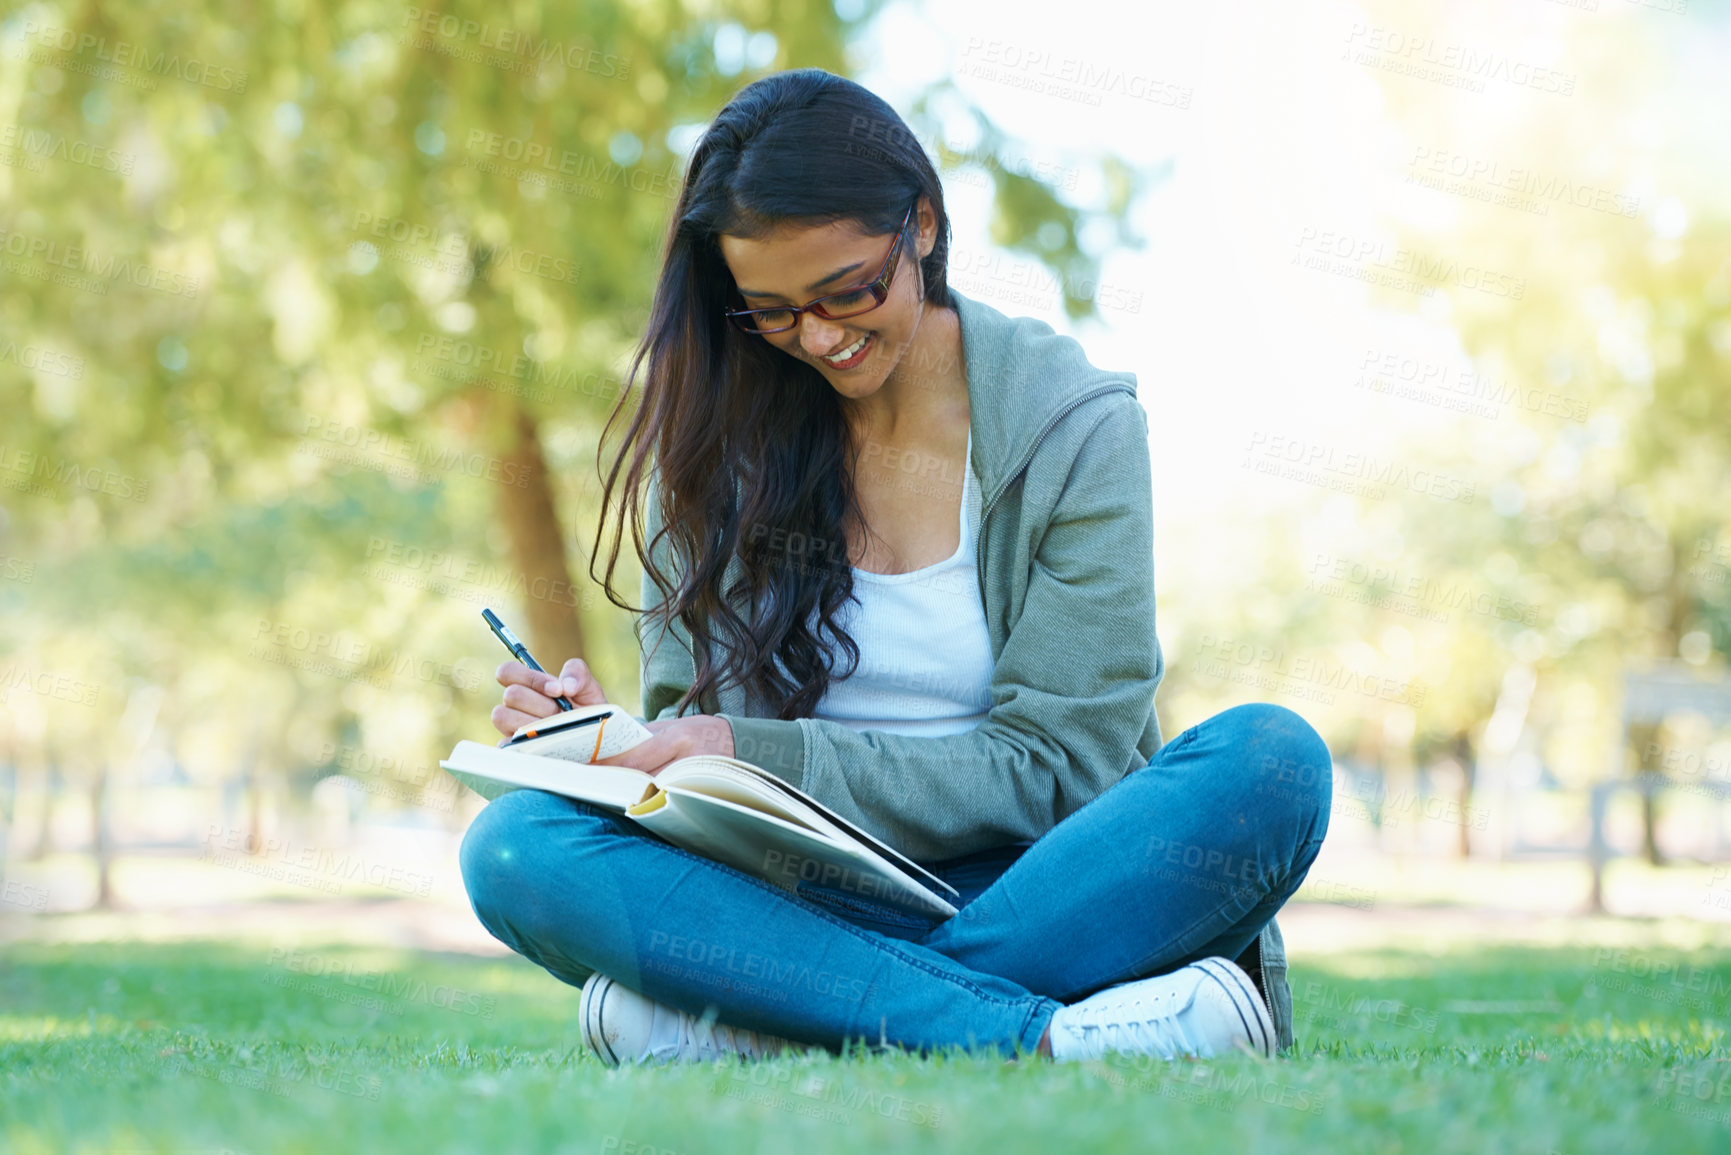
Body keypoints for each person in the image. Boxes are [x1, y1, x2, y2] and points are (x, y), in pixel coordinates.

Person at [460, 68, 1332, 1066]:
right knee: (515, 847)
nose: (821, 338)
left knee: (1272, 761)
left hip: (1046, 883)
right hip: (799, 894)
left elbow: (1063, 769)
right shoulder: (706, 463)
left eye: (849, 292)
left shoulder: (1073, 429)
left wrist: (740, 749)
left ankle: (783, 1014)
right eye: (774, 313)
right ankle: (1044, 1036)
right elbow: (698, 780)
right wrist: (613, 748)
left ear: (920, 224)